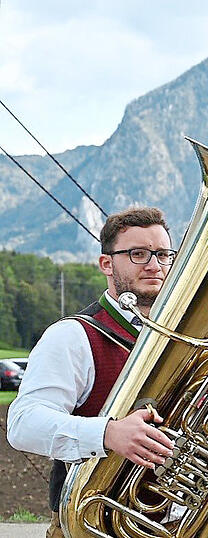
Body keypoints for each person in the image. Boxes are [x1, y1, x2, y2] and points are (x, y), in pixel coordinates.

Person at [7, 207, 178, 538]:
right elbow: (23, 423)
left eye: (162, 254)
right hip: (91, 523)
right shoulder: (72, 335)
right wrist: (107, 434)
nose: (154, 265)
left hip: (171, 521)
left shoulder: (183, 337)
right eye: (138, 254)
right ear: (106, 264)